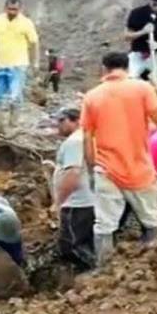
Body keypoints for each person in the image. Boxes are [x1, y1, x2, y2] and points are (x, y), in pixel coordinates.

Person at [81, 52, 157, 267]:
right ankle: (155, 265)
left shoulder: (92, 96)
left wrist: (93, 166)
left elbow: (86, 136)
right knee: (153, 220)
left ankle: (104, 270)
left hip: (106, 168)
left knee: (104, 225)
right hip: (139, 168)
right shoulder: (142, 89)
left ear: (104, 68)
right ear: (127, 67)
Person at [51, 108, 95, 270]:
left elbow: (73, 173)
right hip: (86, 201)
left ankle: (96, 273)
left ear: (77, 121)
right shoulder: (84, 138)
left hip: (77, 204)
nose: (58, 125)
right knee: (82, 242)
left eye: (62, 121)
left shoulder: (74, 142)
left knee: (72, 246)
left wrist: (59, 202)